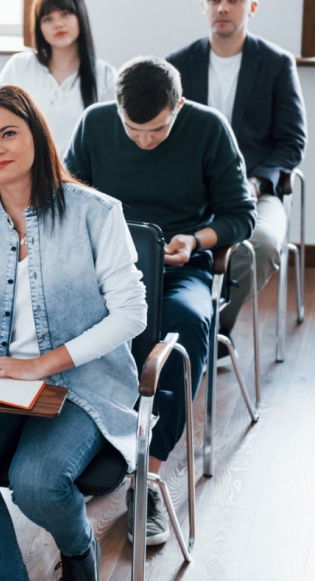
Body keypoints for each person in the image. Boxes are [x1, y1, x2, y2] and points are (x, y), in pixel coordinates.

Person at [0, 84, 147, 581]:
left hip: (78, 384)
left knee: (38, 481)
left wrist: (42, 365)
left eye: (8, 133)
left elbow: (132, 313)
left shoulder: (97, 212)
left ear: (37, 136)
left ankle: (76, 549)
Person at [65, 56, 255, 546]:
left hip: (178, 267)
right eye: (133, 129)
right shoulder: (95, 124)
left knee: (185, 329)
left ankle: (145, 480)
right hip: (104, 269)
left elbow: (240, 215)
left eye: (157, 129)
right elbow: (65, 198)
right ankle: (81, 451)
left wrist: (196, 239)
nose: (144, 140)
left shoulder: (209, 129)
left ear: (180, 106)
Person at [165, 0, 306, 355]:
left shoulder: (276, 64)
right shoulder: (177, 64)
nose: (223, 7)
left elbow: (292, 141)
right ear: (203, 6)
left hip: (255, 191)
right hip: (192, 191)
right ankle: (181, 320)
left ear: (252, 6)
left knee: (259, 245)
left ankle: (213, 327)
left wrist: (257, 182)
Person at [0, 0, 116, 150]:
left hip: (80, 174)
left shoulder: (105, 74)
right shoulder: (19, 66)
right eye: (47, 19)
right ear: (39, 27)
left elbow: (111, 136)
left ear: (80, 17)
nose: (58, 24)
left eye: (65, 14)